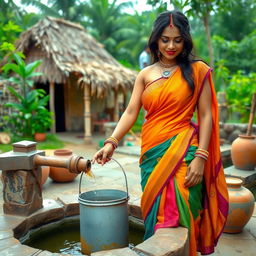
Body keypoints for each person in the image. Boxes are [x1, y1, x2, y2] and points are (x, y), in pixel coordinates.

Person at [93, 10, 228, 256]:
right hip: (152, 153)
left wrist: (201, 156)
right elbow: (131, 111)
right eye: (165, 39)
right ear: (155, 39)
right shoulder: (145, 74)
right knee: (157, 209)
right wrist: (111, 142)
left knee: (183, 203)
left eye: (177, 39)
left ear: (185, 40)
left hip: (185, 149)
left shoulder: (197, 71)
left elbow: (206, 115)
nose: (171, 45)